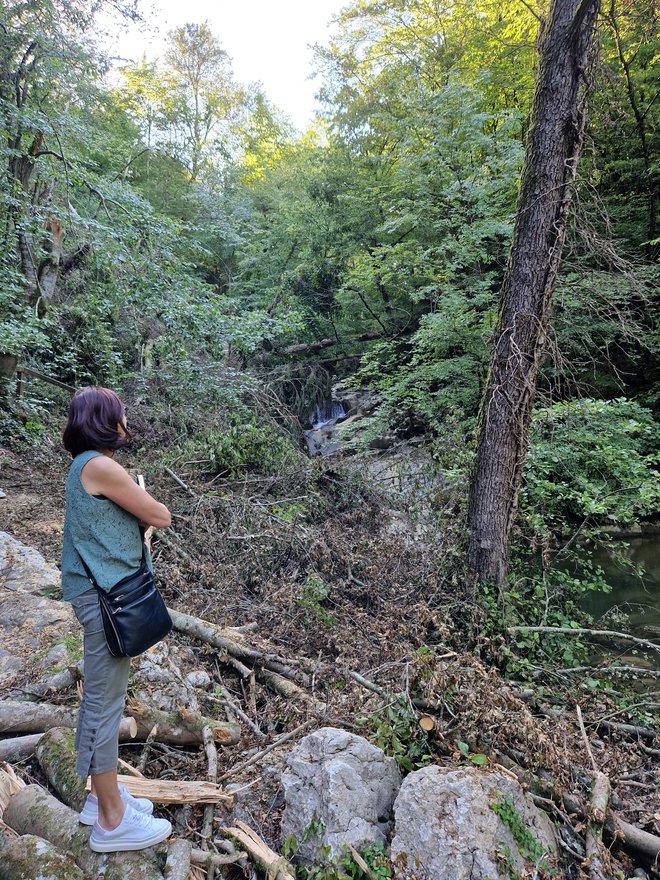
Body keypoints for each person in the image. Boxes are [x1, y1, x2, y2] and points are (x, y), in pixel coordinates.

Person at [61, 386, 173, 853]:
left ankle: (98, 799)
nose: (127, 421)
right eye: (121, 414)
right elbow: (160, 515)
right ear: (105, 420)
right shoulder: (100, 465)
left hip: (95, 593)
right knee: (106, 705)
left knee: (100, 700)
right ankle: (111, 821)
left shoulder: (84, 465)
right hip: (103, 598)